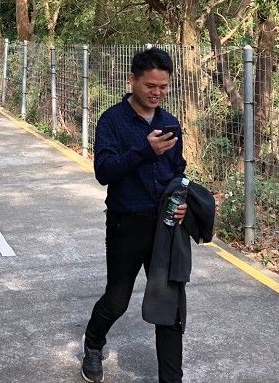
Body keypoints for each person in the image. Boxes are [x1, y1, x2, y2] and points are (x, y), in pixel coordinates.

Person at [81, 47, 187, 383]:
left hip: (165, 228)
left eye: (163, 86)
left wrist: (182, 201)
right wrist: (145, 151)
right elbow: (104, 171)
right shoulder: (112, 121)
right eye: (150, 86)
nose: (157, 93)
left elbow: (178, 171)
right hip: (126, 224)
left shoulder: (170, 123)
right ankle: (93, 344)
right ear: (133, 80)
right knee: (117, 301)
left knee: (168, 308)